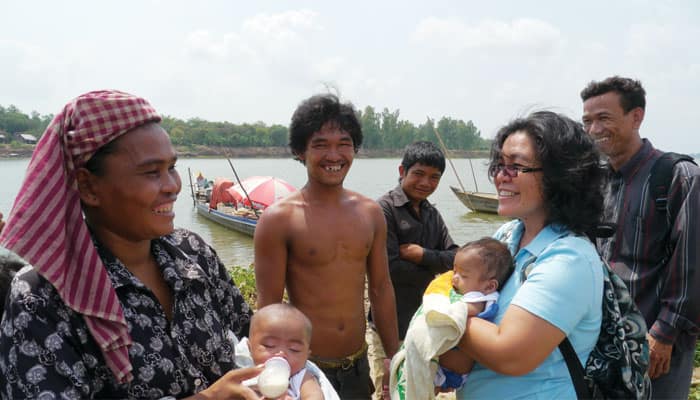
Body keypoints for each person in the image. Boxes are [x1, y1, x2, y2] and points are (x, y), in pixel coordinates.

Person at [0, 90, 261, 399]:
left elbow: (257, 338)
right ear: (88, 186)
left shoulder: (193, 254)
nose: (173, 186)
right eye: (152, 172)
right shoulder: (42, 298)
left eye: (172, 167)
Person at [442, 110, 606, 398]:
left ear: (560, 177)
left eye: (516, 167)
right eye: (499, 165)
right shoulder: (507, 236)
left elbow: (509, 354)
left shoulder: (569, 258)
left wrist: (437, 313)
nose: (500, 177)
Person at [253, 93, 399, 398]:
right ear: (299, 151)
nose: (334, 155)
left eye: (344, 143)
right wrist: (272, 373)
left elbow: (381, 288)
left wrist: (392, 356)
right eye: (320, 145)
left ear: (355, 148)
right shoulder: (279, 219)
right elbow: (268, 306)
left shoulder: (370, 213)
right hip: (304, 371)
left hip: (358, 365)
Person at [581, 76, 700, 399]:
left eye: (604, 118)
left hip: (656, 341)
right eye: (587, 121)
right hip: (602, 336)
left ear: (636, 117)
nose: (593, 130)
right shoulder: (596, 182)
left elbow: (692, 262)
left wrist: (665, 333)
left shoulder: (677, 176)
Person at [366, 140, 458, 399]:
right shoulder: (383, 210)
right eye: (418, 174)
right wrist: (435, 268)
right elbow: (389, 269)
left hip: (424, 326)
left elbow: (457, 257)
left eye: (434, 177)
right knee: (386, 392)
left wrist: (421, 255)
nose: (426, 183)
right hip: (387, 326)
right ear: (402, 171)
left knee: (420, 391)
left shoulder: (432, 214)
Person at [390, 237, 512, 399]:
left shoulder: (480, 299)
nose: (454, 278)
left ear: (489, 286)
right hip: (448, 365)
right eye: (455, 271)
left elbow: (465, 310)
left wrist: (442, 306)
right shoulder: (471, 289)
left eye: (463, 275)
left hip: (451, 371)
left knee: (418, 384)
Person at [235, 303, 339, 400]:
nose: (281, 354)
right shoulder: (243, 373)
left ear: (306, 356)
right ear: (249, 348)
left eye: (294, 349)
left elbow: (314, 395)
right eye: (269, 345)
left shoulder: (301, 377)